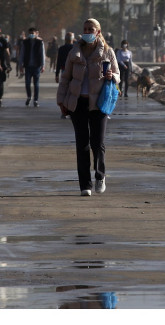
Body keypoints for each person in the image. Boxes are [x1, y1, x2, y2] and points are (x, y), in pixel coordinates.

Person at [57, 18, 119, 197]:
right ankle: (85, 184)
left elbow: (118, 74)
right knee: (82, 144)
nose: (88, 32)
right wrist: (61, 101)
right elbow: (65, 78)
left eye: (91, 29)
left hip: (99, 103)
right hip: (78, 103)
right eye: (85, 29)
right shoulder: (74, 52)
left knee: (97, 143)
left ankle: (100, 176)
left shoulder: (107, 52)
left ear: (98, 32)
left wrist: (112, 76)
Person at [19, 27, 45, 107]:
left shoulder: (40, 42)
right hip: (28, 65)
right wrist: (20, 65)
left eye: (33, 33)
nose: (31, 35)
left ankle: (35, 99)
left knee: (36, 84)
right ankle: (29, 96)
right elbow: (22, 53)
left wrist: (43, 65)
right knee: (27, 83)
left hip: (36, 65)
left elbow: (42, 54)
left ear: (36, 33)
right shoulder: (25, 42)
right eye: (30, 33)